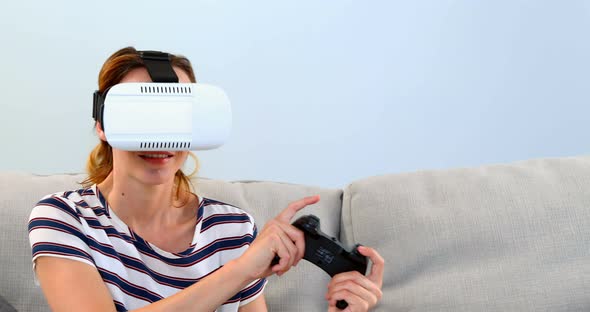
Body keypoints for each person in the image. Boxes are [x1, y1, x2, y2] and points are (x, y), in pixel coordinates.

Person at [28, 47, 384, 311]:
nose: (160, 138)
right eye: (142, 116)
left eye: (176, 117)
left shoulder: (232, 228)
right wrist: (242, 269)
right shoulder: (63, 218)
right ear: (103, 125)